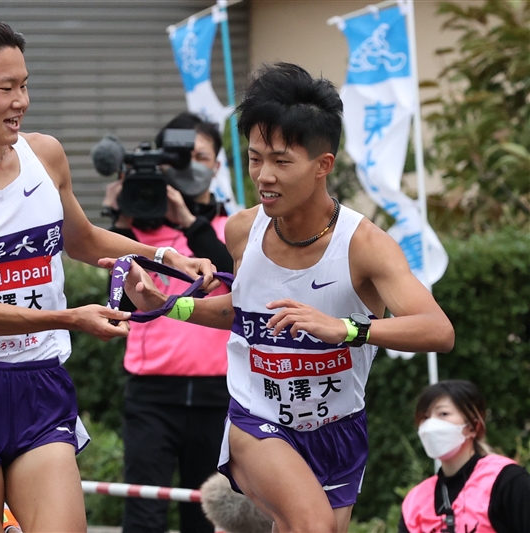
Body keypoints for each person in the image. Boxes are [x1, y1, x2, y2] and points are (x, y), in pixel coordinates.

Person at [112, 62, 456, 533]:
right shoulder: (241, 229)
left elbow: (438, 330)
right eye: (255, 158)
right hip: (258, 418)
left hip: (339, 425)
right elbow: (240, 312)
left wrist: (347, 329)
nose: (264, 176)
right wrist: (171, 305)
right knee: (311, 526)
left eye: (280, 161)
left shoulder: (364, 245)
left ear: (323, 166)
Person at [0, 19, 216, 533]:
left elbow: (84, 241)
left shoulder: (44, 154)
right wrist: (71, 318)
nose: (21, 100)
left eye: (25, 85)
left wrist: (163, 256)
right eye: (6, 88)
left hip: (40, 379)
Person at [102, 113, 233, 533]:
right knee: (144, 510)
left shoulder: (234, 227)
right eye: (181, 158)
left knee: (208, 512)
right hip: (152, 395)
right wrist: (120, 222)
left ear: (217, 164)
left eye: (201, 156)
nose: (191, 165)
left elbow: (233, 275)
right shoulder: (140, 238)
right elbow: (120, 301)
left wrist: (189, 223)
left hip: (219, 394)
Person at [399, 380, 530, 533]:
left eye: (443, 414)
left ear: (473, 427)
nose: (430, 425)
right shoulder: (415, 501)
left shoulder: (506, 480)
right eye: (426, 417)